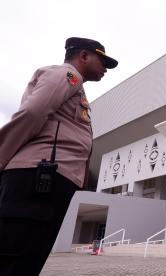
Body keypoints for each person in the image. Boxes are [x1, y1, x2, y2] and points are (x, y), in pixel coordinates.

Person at [0, 37, 118, 276]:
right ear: (84, 56)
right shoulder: (66, 75)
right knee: (16, 257)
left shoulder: (76, 86)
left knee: (28, 256)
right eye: (102, 60)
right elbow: (33, 112)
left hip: (49, 179)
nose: (105, 68)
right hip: (38, 176)